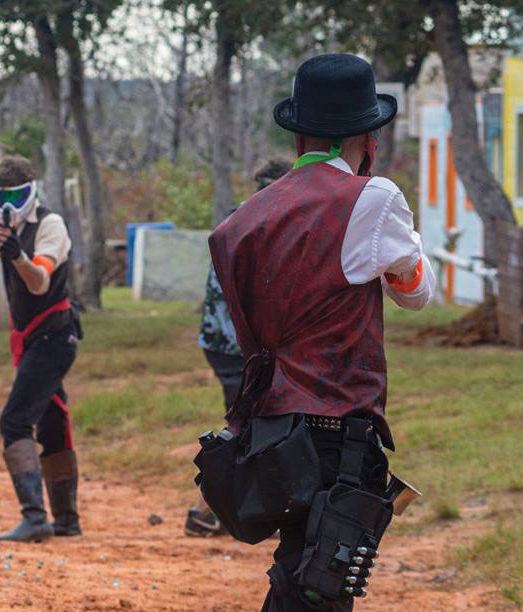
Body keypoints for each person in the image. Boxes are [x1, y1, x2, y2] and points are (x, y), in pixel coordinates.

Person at [208, 54, 435, 611]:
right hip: (337, 430)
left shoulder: (243, 218)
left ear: (298, 132)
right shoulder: (374, 198)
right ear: (369, 133)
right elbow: (416, 293)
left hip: (269, 429)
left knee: (302, 574)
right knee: (317, 588)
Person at [0, 156, 82, 542]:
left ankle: (35, 518)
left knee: (14, 421)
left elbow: (38, 282)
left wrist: (17, 254)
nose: (8, 201)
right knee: (53, 423)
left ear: (32, 191)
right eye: (1, 194)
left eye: (16, 194)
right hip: (33, 337)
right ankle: (66, 521)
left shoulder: (51, 224)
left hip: (56, 336)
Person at [186, 159, 290, 537]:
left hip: (220, 342)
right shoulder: (264, 225)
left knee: (249, 424)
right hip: (241, 346)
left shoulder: (237, 218)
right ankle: (211, 511)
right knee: (247, 427)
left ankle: (209, 513)